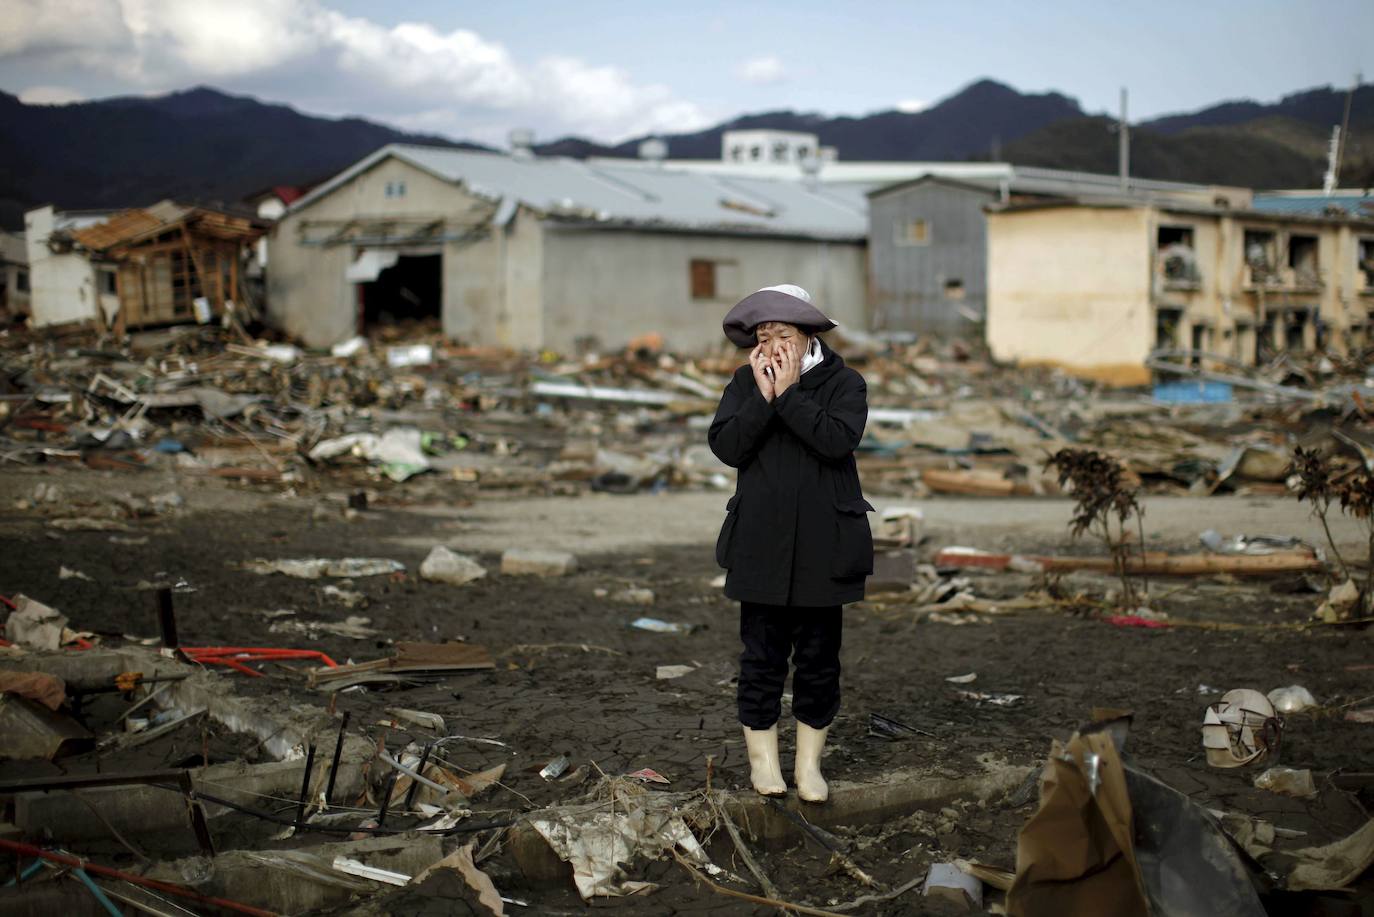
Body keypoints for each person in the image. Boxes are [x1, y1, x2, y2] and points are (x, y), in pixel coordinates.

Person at [708, 283, 874, 803]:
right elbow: (729, 446)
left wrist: (789, 395)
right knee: (761, 657)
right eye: (762, 336)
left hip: (825, 546)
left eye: (782, 333)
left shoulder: (845, 384)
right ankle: (764, 763)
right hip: (760, 543)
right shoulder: (743, 383)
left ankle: (809, 767)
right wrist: (761, 395)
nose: (771, 345)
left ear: (807, 336)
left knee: (820, 660)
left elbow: (835, 442)